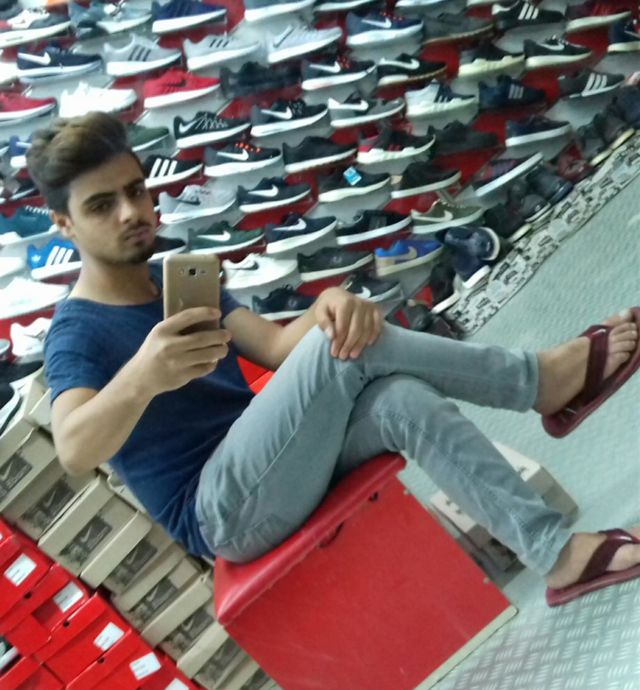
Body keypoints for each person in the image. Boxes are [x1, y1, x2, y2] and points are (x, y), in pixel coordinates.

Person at [27, 112, 640, 607]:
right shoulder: (76, 331)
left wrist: (330, 303)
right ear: (64, 225)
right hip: (221, 513)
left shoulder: (174, 280)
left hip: (271, 468)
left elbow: (275, 348)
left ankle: (557, 555)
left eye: (135, 191)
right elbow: (75, 449)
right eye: (101, 205)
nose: (130, 212)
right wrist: (143, 376)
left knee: (400, 400)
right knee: (340, 354)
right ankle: (542, 382)